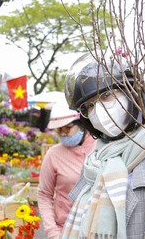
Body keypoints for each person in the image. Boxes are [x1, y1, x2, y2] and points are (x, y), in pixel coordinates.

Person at [61, 54, 145, 239]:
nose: (98, 111)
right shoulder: (96, 159)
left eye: (107, 95)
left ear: (133, 95)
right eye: (89, 106)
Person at [38, 99, 96, 239]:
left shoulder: (100, 147)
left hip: (97, 229)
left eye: (67, 128)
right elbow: (44, 195)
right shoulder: (53, 155)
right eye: (58, 129)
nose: (63, 133)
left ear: (82, 124)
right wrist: (53, 232)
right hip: (64, 230)